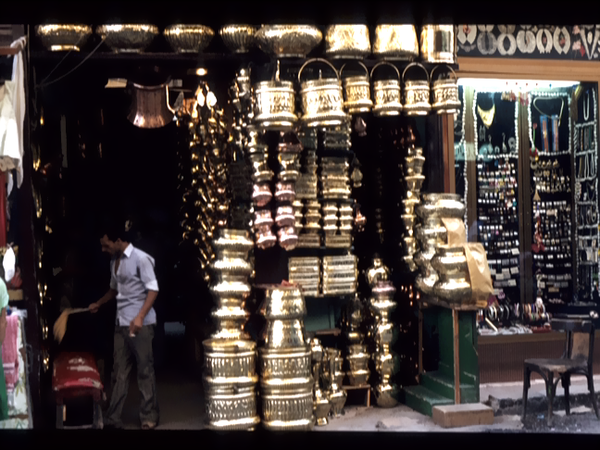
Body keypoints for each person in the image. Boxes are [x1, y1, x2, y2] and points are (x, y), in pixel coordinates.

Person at [89, 217, 159, 430]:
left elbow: (153, 289)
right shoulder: (114, 262)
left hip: (142, 324)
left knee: (145, 370)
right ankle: (113, 417)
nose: (103, 249)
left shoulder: (141, 259)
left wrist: (139, 316)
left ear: (118, 240)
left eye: (106, 244)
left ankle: (149, 416)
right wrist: (99, 303)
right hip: (121, 324)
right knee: (119, 371)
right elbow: (114, 290)